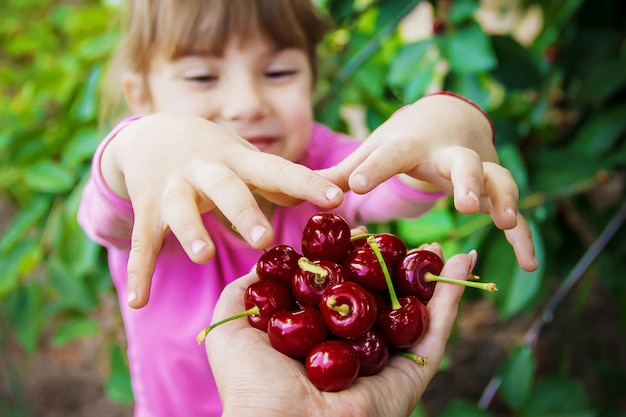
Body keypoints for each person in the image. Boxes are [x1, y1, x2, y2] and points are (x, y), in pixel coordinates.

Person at [77, 0, 538, 416]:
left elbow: (399, 172)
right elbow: (117, 182)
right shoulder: (149, 195)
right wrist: (147, 140)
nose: (248, 104)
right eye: (202, 77)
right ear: (140, 96)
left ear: (313, 80)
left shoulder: (324, 166)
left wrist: (451, 120)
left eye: (278, 73)